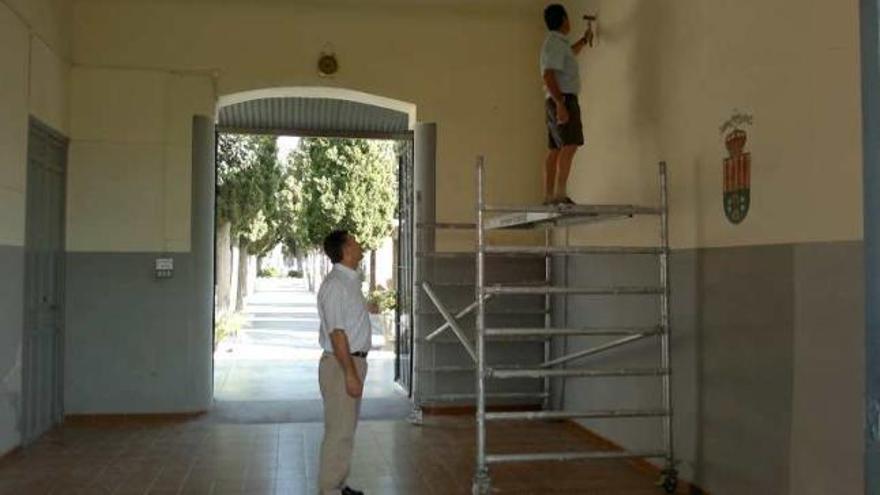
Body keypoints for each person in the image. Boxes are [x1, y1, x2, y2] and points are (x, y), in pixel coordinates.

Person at [317, 230, 370, 495]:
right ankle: (329, 490)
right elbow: (337, 333)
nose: (360, 244)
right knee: (339, 432)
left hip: (349, 362)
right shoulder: (336, 284)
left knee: (344, 429)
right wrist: (350, 373)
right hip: (341, 365)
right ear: (346, 249)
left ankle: (337, 485)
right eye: (355, 240)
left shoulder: (348, 281)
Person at [541, 3, 593, 205]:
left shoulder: (558, 44)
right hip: (562, 98)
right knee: (569, 145)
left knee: (555, 148)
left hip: (556, 99)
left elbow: (567, 56)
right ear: (564, 19)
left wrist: (583, 40)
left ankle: (549, 196)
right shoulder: (554, 43)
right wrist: (561, 103)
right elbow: (548, 75)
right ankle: (559, 195)